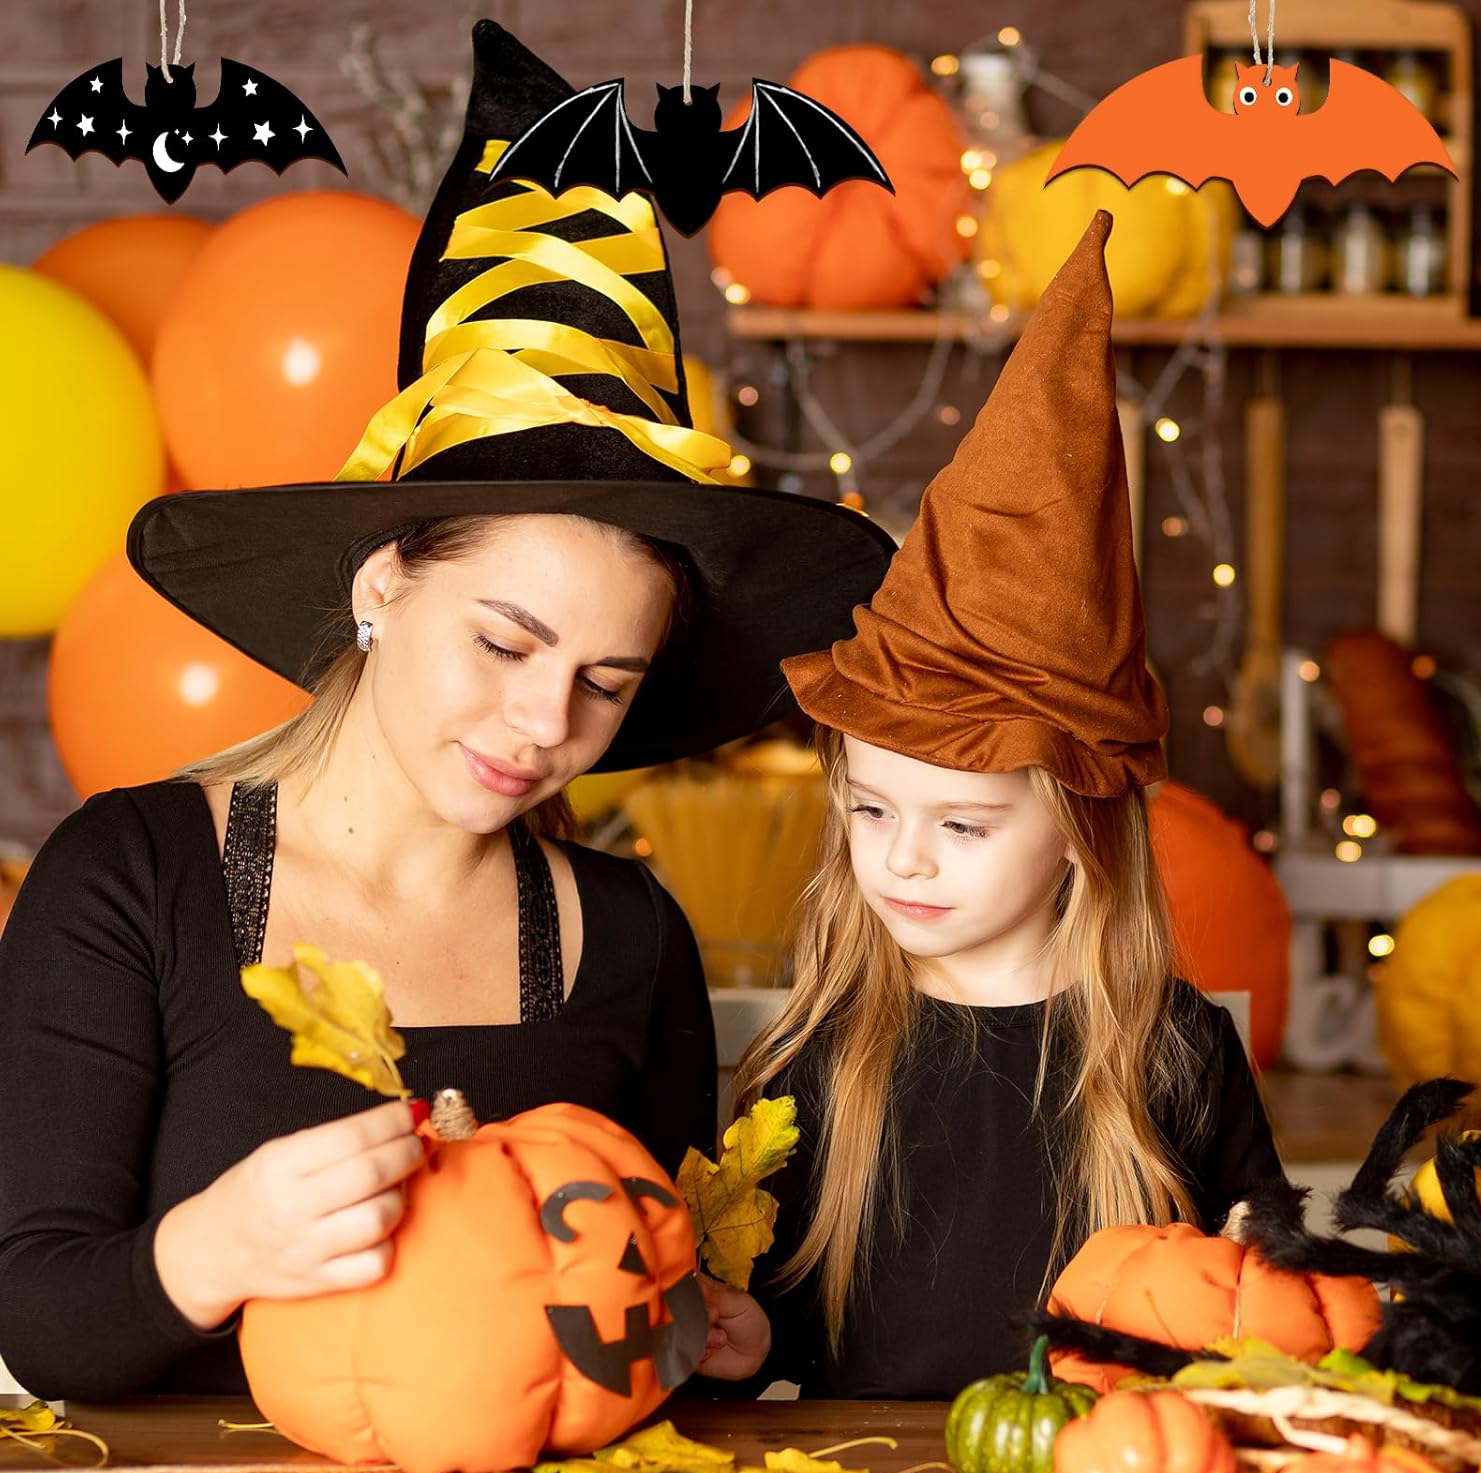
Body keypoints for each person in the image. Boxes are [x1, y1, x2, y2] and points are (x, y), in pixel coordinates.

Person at [0, 21, 892, 1401]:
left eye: (608, 681)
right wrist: (216, 1247)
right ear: (382, 586)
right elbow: (39, 1319)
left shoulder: (628, 936)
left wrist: (717, 1334)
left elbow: (634, 1331)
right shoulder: (131, 883)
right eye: (504, 641)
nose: (546, 721)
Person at [695, 213, 1287, 1396]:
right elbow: (784, 1333)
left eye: (962, 824)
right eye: (870, 812)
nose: (902, 859)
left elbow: (1255, 1308)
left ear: (1076, 832)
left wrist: (1263, 1293)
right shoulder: (815, 1058)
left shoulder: (1175, 1055)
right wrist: (749, 1339)